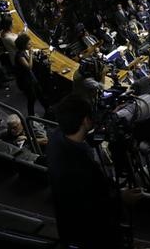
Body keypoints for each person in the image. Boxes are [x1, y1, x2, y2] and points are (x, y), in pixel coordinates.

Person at [47, 96, 132, 249]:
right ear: (86, 121)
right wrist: (121, 198)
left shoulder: (56, 138)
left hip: (68, 226)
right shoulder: (80, 164)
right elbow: (93, 206)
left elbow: (81, 138)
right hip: (93, 235)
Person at [13, 33, 49, 116]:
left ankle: (47, 109)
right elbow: (29, 67)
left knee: (40, 93)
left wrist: (31, 55)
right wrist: (31, 54)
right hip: (26, 81)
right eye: (29, 44)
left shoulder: (23, 52)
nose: (31, 44)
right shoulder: (19, 56)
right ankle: (31, 116)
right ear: (23, 45)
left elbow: (29, 60)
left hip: (31, 78)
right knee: (32, 98)